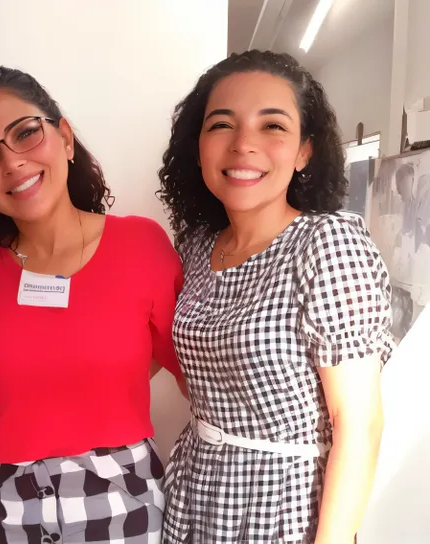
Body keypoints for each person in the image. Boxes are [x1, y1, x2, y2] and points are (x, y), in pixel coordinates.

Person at [157, 50, 395, 543]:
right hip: (196, 492)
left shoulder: (328, 245)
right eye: (221, 125)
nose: (244, 144)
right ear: (197, 145)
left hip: (282, 505)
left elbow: (358, 421)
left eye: (273, 126)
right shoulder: (198, 245)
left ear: (305, 150)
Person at [0, 65, 184, 543]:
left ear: (66, 139)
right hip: (6, 505)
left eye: (26, 133)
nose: (11, 162)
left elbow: (184, 359)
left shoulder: (141, 245)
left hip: (123, 498)